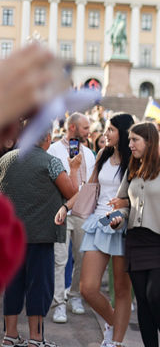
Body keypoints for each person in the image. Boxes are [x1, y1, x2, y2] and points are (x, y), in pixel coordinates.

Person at [54, 113, 135, 347]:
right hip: (98, 223)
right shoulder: (103, 154)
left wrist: (123, 208)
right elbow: (89, 188)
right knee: (87, 288)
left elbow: (139, 196)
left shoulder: (135, 160)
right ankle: (115, 324)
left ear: (123, 132)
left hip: (122, 224)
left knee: (121, 290)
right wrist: (66, 206)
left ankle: (115, 342)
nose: (105, 133)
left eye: (111, 129)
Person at [109, 122, 160, 347]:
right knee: (143, 301)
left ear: (149, 142)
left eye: (135, 140)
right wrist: (118, 218)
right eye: (130, 139)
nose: (130, 144)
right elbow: (123, 203)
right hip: (135, 242)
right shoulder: (131, 169)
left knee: (155, 296)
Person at [0, 130, 79, 347]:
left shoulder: (6, 159)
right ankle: (36, 339)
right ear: (46, 138)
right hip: (41, 234)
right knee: (39, 285)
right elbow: (72, 192)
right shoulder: (50, 162)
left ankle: (10, 335)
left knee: (13, 284)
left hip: (11, 235)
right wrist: (74, 169)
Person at [47, 112, 97, 323]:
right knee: (59, 259)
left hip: (84, 213)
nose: (89, 132)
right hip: (61, 212)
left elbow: (92, 183)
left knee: (83, 258)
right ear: (73, 128)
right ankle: (59, 304)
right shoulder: (54, 150)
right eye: (85, 128)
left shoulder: (89, 153)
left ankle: (75, 295)